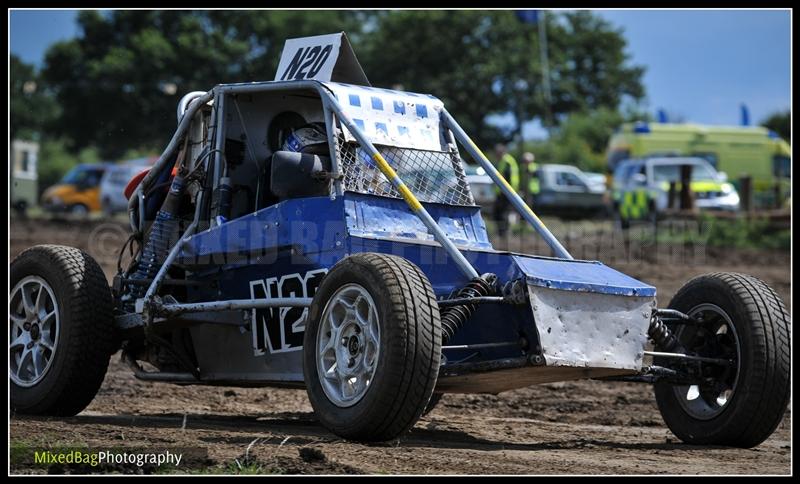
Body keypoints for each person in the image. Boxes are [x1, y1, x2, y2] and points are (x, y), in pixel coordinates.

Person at [492, 144, 519, 236]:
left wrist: (508, 190)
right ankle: (501, 232)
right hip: (501, 192)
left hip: (506, 192)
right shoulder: (502, 161)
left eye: (497, 153)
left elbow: (510, 177)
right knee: (498, 213)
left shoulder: (507, 161)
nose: (495, 155)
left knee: (504, 213)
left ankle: (504, 232)